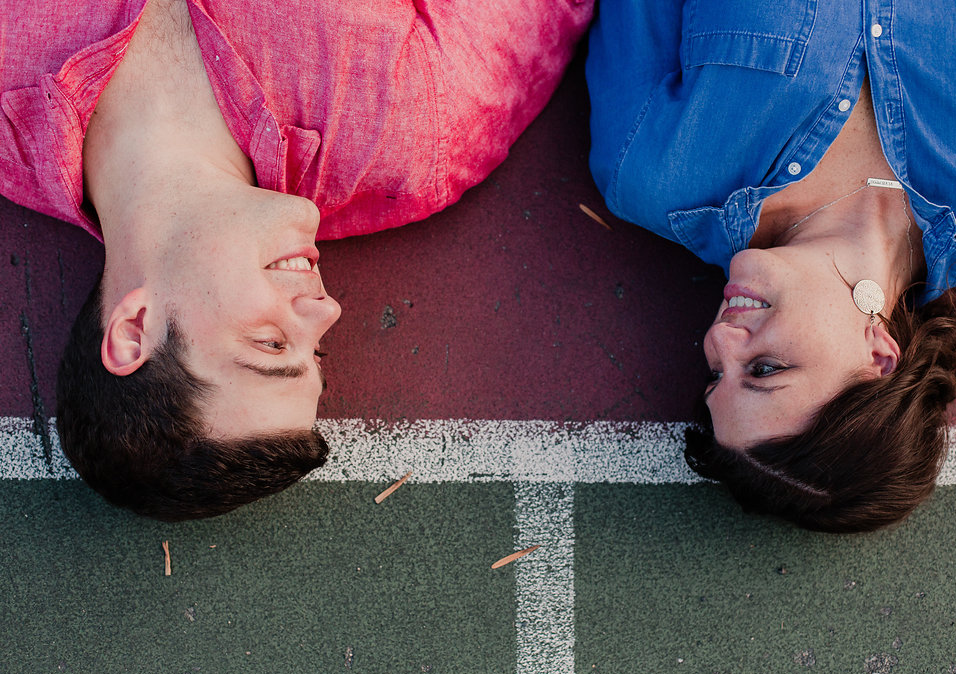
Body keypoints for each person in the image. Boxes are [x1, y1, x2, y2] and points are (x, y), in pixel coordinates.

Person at [1, 0, 592, 520]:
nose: (325, 311)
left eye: (270, 346)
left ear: (135, 330)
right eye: (317, 350)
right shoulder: (414, 135)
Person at [586, 0, 956, 531]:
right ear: (878, 359)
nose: (719, 342)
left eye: (715, 374)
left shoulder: (651, 172)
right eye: (765, 370)